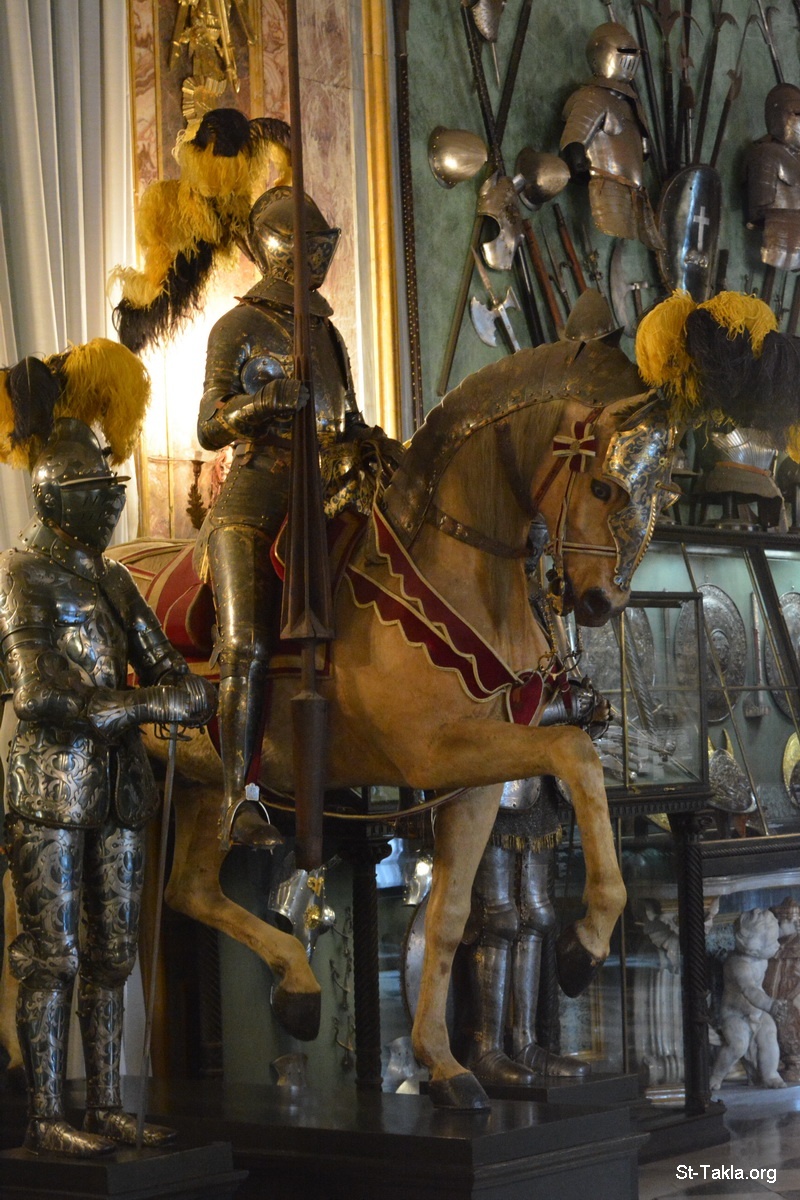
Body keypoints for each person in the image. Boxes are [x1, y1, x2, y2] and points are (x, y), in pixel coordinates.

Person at [1, 417, 216, 1156]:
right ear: (53, 497)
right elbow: (37, 693)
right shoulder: (20, 573)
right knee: (51, 957)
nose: (110, 502)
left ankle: (106, 1105)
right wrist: (143, 704)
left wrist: (166, 696)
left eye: (111, 487)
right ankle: (45, 1115)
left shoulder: (113, 577)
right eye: (96, 489)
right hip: (50, 786)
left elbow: (181, 681)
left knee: (113, 957)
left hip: (119, 787)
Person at [195, 184, 401, 850]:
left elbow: (347, 419)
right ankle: (237, 798)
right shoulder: (238, 327)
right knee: (246, 644)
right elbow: (208, 425)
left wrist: (387, 447)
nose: (319, 257)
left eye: (324, 245)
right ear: (277, 246)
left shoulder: (328, 333)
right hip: (256, 497)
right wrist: (262, 404)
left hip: (326, 495)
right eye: (309, 245)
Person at [560, 22, 663, 251]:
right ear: (602, 54)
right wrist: (578, 164)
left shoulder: (632, 104)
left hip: (634, 194)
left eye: (633, 53)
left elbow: (644, 150)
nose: (631, 59)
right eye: (625, 52)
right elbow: (574, 138)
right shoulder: (593, 97)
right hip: (606, 186)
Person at [745, 84, 800, 271]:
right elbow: (760, 207)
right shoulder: (766, 154)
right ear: (780, 116)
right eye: (797, 114)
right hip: (778, 242)